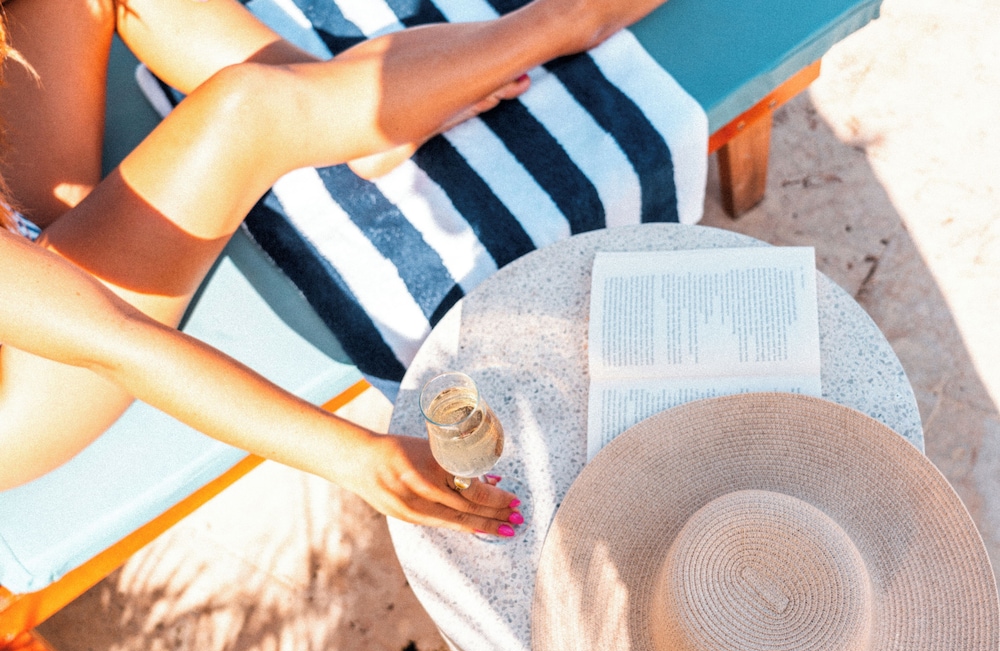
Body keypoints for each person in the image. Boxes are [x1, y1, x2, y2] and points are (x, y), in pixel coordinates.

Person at [0, 0, 665, 535]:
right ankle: (563, 18)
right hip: (29, 384)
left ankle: (349, 117)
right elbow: (117, 342)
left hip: (17, 226)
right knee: (246, 109)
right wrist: (363, 460)